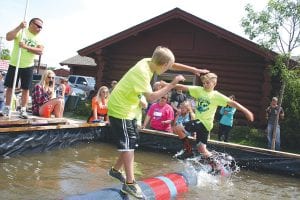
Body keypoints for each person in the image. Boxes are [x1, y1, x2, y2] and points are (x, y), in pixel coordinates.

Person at [107, 46, 209, 199]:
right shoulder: (142, 72)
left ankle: (115, 170)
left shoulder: (149, 61)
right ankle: (130, 184)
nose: (170, 69)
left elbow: (172, 63)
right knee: (128, 145)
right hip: (120, 109)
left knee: (133, 142)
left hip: (130, 108)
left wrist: (193, 69)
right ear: (162, 64)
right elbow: (151, 98)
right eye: (167, 67)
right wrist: (172, 84)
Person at [171, 73, 254, 159]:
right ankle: (218, 166)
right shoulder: (199, 90)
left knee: (178, 128)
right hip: (202, 124)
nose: (205, 85)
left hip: (204, 123)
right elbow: (182, 87)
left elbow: (232, 103)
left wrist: (246, 111)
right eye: (204, 83)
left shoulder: (216, 95)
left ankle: (188, 151)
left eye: (208, 83)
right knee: (201, 149)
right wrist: (167, 85)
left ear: (214, 84)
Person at [2, 18, 44, 119]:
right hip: (15, 63)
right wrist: (19, 27)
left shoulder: (38, 38)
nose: (40, 29)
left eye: (41, 27)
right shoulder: (21, 31)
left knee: (25, 88)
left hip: (28, 65)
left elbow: (40, 51)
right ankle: (7, 107)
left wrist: (26, 47)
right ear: (31, 24)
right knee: (10, 87)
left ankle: (23, 110)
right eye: (38, 26)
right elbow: (8, 37)